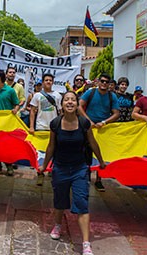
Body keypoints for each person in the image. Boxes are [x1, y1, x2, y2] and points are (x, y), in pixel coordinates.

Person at [40, 91, 106, 255]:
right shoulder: (55, 124)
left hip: (80, 169)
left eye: (73, 100)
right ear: (61, 104)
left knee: (81, 202)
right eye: (66, 100)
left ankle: (85, 243)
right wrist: (44, 166)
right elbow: (51, 146)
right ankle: (57, 225)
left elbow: (93, 143)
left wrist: (102, 161)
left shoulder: (84, 123)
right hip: (60, 169)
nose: (70, 102)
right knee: (60, 200)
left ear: (77, 104)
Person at [78, 73, 120, 192]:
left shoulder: (112, 97)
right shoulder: (90, 92)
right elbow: (79, 106)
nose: (104, 84)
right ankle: (85, 177)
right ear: (98, 82)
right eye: (102, 81)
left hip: (103, 130)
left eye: (107, 82)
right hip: (88, 128)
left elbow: (116, 113)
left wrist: (104, 122)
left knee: (101, 154)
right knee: (86, 153)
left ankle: (99, 180)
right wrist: (88, 121)